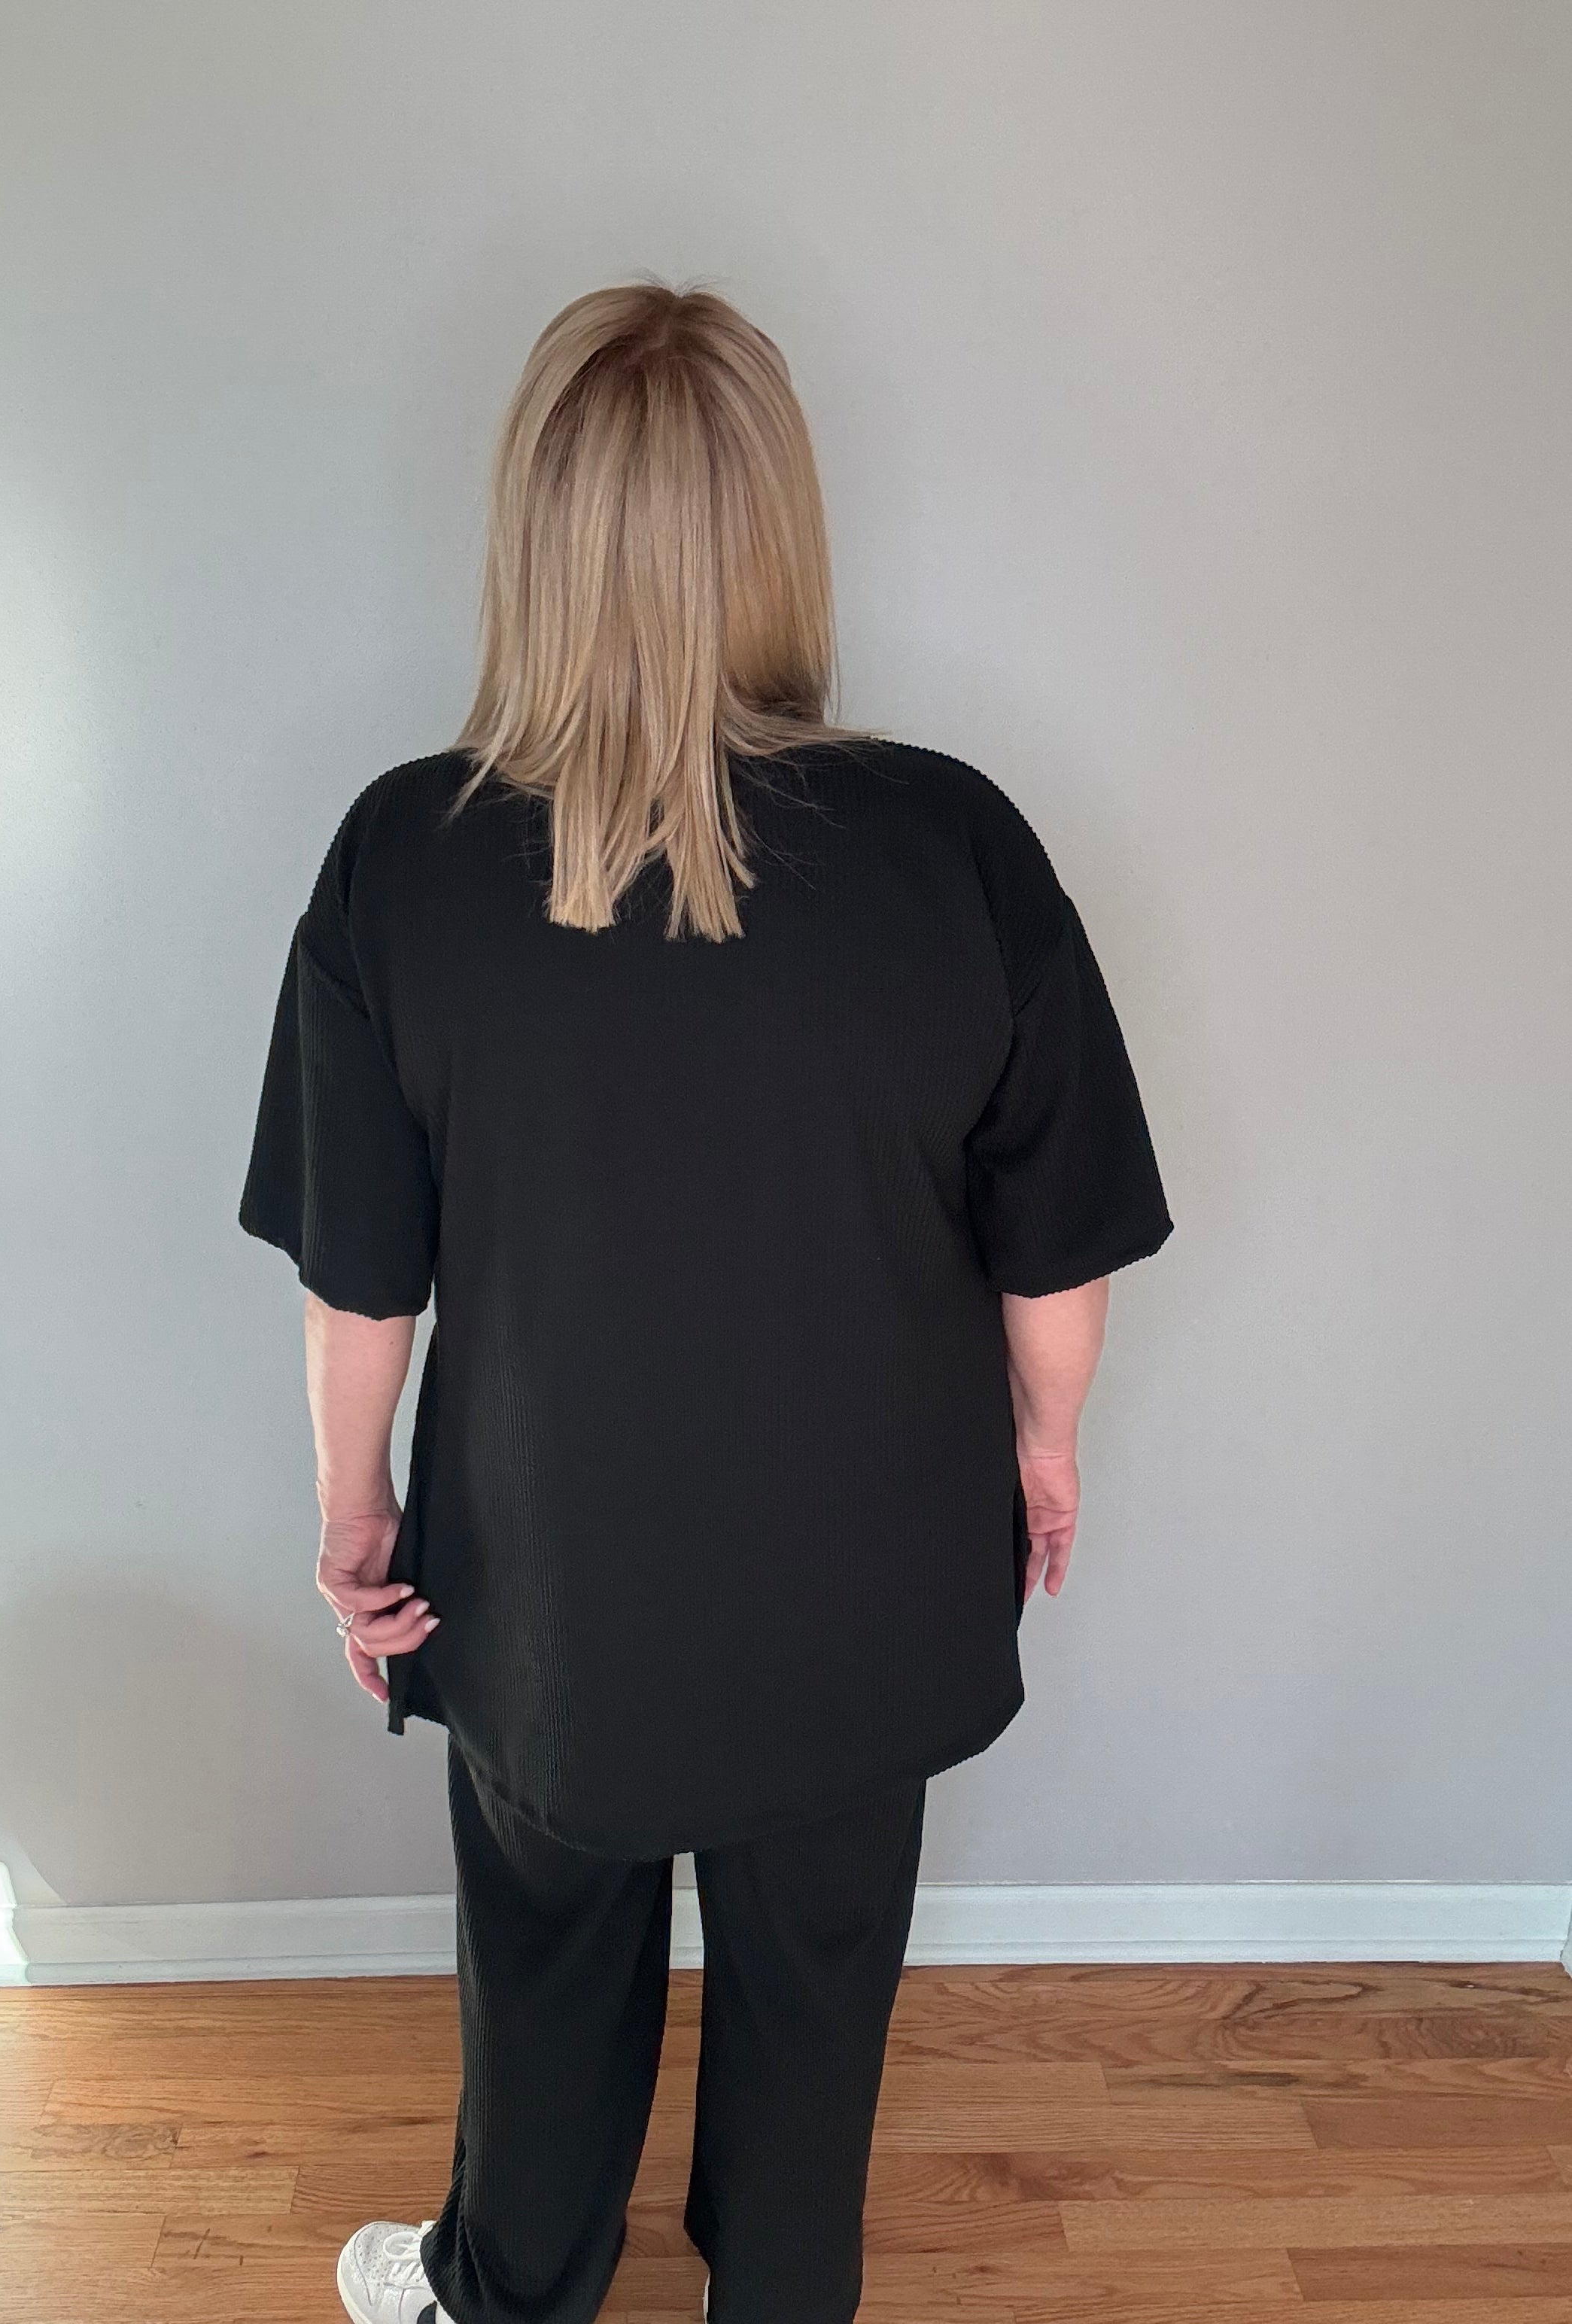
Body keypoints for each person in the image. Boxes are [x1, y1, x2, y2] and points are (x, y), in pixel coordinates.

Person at [239, 279, 1172, 2324]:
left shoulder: (405, 858)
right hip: (868, 1567)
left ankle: (507, 2290)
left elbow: (360, 1278)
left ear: (535, 534)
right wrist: (1044, 1447)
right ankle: (777, 2295)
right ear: (779, 528)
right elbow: (1055, 1253)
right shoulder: (954, 840)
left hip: (551, 1583)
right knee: (820, 1983)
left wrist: (353, 1511)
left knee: (546, 1959)